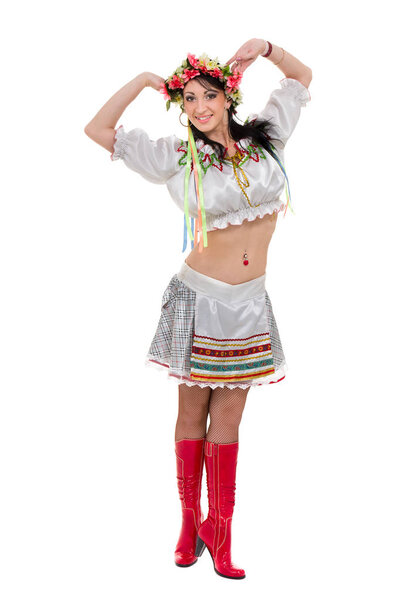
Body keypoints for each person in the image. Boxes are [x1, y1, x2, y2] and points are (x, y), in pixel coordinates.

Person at [84, 38, 312, 580]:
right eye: (188, 98)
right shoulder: (177, 158)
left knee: (228, 421)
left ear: (227, 96)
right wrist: (143, 79)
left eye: (208, 94)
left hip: (250, 303)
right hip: (198, 298)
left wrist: (265, 49)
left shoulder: (268, 139)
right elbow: (97, 131)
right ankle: (189, 524)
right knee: (192, 412)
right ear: (179, 105)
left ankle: (221, 529)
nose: (200, 107)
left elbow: (302, 77)